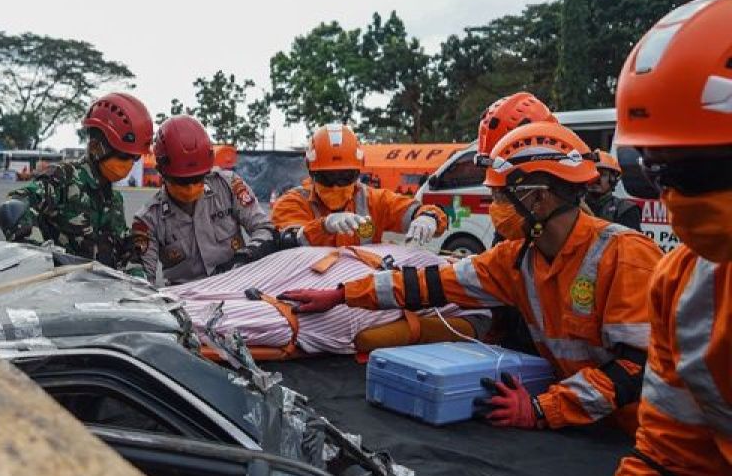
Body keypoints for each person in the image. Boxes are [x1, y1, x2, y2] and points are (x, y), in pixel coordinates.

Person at [280, 122, 663, 433]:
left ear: (539, 198)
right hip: (592, 429)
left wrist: (541, 409)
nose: (493, 208)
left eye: (499, 197)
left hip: (650, 435)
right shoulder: (517, 258)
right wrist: (343, 294)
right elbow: (427, 283)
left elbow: (635, 369)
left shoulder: (625, 257)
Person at [565, 0, 732, 476]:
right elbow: (670, 460)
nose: (679, 199)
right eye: (660, 173)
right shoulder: (688, 287)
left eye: (706, 171)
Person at [0, 93, 153, 275]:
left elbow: (122, 248)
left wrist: (137, 274)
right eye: (123, 156)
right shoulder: (63, 179)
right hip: (60, 292)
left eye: (134, 157)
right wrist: (40, 255)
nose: (129, 164)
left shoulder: (114, 200)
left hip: (101, 296)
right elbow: (13, 207)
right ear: (96, 147)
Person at [131, 115, 275, 284]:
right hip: (186, 300)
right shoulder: (148, 220)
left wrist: (246, 255)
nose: (191, 187)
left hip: (237, 285)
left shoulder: (228, 186)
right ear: (162, 173)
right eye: (182, 181)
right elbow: (142, 282)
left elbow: (265, 228)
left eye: (198, 178)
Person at [270, 123, 447, 248]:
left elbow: (413, 210)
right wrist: (324, 226)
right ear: (311, 172)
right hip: (311, 288)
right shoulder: (292, 203)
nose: (336, 185)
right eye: (327, 177)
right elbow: (288, 240)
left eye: (346, 176)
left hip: (360, 289)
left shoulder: (374, 201)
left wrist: (428, 217)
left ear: (358, 172)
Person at [585, 150, 642, 231]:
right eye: (592, 172)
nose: (595, 179)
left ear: (613, 179)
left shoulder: (625, 209)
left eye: (602, 174)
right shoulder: (575, 207)